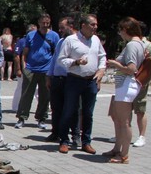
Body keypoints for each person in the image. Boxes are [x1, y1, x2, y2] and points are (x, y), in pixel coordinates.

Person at [56, 14, 107, 155]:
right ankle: (64, 141)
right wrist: (75, 62)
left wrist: (101, 70)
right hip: (74, 79)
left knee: (88, 113)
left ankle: (86, 142)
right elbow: (61, 60)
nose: (95, 27)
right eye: (92, 25)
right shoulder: (71, 40)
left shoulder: (96, 40)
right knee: (69, 111)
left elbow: (102, 56)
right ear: (83, 25)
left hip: (91, 80)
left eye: (96, 24)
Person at [104, 17, 146, 164]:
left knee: (124, 122)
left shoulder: (132, 45)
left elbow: (131, 68)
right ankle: (117, 149)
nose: (119, 34)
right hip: (125, 85)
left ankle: (124, 155)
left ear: (126, 30)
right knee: (119, 119)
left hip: (127, 85)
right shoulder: (139, 44)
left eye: (121, 30)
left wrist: (115, 64)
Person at [15, 14, 58, 130]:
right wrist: (24, 68)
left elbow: (56, 54)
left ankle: (41, 118)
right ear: (38, 23)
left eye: (47, 23)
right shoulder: (31, 35)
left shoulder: (54, 36)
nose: (45, 25)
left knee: (45, 96)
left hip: (46, 70)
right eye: (43, 23)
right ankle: (22, 117)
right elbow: (24, 53)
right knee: (26, 95)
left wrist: (53, 70)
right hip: (31, 69)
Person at [45, 16, 77, 144]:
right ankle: (55, 132)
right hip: (57, 79)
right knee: (56, 107)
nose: (60, 30)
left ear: (71, 26)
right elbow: (54, 59)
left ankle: (75, 135)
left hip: (70, 78)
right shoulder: (60, 41)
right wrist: (49, 75)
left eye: (62, 28)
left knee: (72, 108)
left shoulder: (77, 41)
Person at [132, 22, 151, 148]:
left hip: (140, 82)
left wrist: (144, 82)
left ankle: (141, 136)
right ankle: (123, 133)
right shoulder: (131, 43)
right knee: (125, 108)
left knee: (140, 109)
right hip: (129, 80)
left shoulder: (149, 46)